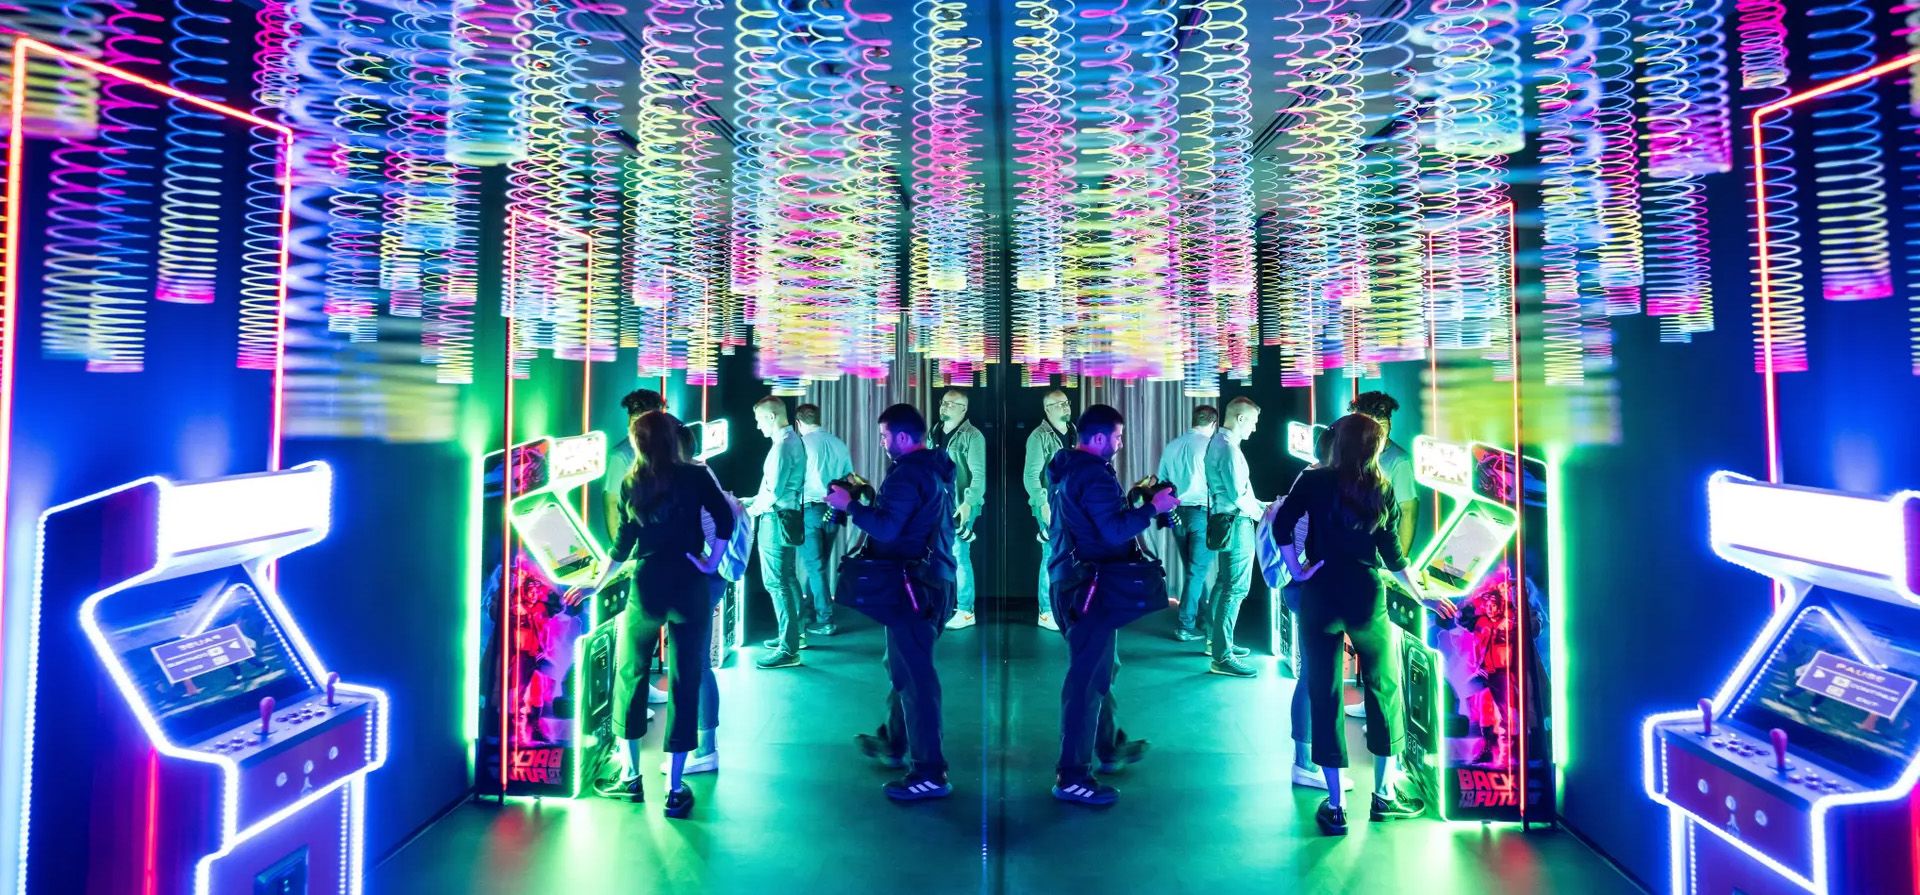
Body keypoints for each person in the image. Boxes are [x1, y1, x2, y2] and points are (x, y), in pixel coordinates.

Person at [1269, 413, 1458, 836]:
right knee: (1383, 688)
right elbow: (1393, 554)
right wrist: (1421, 592)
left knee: (1325, 690)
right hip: (1365, 594)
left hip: (1320, 589)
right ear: (1374, 448)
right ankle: (1384, 796)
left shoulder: (1314, 481)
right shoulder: (1381, 487)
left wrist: (1296, 569)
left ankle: (1335, 806)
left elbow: (1283, 524)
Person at [574, 411, 733, 819]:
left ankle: (630, 776)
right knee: (685, 679)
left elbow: (622, 546)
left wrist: (594, 583)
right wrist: (709, 561)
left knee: (631, 676)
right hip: (689, 583)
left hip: (647, 585)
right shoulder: (695, 476)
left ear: (640, 443)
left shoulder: (633, 482)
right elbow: (726, 517)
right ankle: (676, 788)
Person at [1046, 404, 1180, 805]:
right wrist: (1152, 509)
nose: (1120, 445)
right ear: (1101, 438)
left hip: (1071, 583)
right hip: (1088, 589)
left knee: (1103, 668)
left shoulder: (1067, 468)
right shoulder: (1094, 476)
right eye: (1118, 438)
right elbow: (1112, 532)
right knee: (1086, 682)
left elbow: (1098, 522)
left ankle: (1107, 746)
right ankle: (1071, 776)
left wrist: (1136, 501)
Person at [825, 404, 959, 800]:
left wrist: (848, 506)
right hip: (932, 582)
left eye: (884, 437)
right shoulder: (935, 467)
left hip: (913, 589)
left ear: (902, 437)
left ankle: (930, 772)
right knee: (900, 665)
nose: (883, 444)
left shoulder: (907, 475)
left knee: (916, 679)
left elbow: (886, 526)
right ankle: (894, 740)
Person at [601, 388, 671, 710]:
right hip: (636, 557)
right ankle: (631, 699)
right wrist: (624, 555)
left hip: (657, 555)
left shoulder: (662, 452)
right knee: (629, 633)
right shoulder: (621, 456)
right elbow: (612, 506)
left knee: (645, 630)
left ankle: (641, 692)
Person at [1285, 426, 1346, 791]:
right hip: (1310, 588)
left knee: (1314, 674)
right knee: (1313, 676)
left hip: (1302, 586)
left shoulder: (1307, 476)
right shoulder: (1319, 484)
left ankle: (1306, 760)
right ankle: (1305, 762)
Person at [1203, 397, 1265, 677]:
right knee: (1236, 588)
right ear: (1240, 419)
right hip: (1236, 522)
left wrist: (1260, 505)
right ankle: (1222, 655)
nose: (1254, 429)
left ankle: (1215, 642)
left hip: (1223, 519)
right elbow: (1239, 495)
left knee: (1224, 583)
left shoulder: (1218, 443)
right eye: (1252, 422)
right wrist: (1262, 514)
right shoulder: (1228, 449)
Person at [747, 396, 808, 668]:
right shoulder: (792, 442)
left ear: (771, 417)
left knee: (776, 583)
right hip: (788, 515)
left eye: (760, 420)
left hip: (775, 518)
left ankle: (788, 648)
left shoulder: (782, 447)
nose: (758, 427)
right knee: (787, 578)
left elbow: (773, 491)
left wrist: (749, 510)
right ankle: (794, 636)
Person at [1155, 404, 1219, 642]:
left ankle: (1201, 619)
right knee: (1197, 571)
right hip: (1201, 513)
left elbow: (1161, 481)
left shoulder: (1172, 446)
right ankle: (1186, 624)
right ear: (1214, 424)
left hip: (1176, 513)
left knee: (1194, 571)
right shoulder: (1210, 446)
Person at [795, 403, 853, 637]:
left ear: (798, 423)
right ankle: (812, 611)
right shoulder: (838, 443)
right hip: (835, 509)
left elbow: (795, 478)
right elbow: (850, 476)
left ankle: (825, 618)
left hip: (810, 508)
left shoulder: (802, 444)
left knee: (814, 565)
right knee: (818, 565)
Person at [934, 389, 988, 630]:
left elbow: (979, 476)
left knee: (959, 553)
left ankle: (965, 610)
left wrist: (968, 504)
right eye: (943, 403)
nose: (944, 407)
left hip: (960, 505)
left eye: (951, 404)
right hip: (937, 504)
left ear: (963, 409)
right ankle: (945, 605)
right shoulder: (934, 432)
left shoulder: (973, 436)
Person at [1023, 388, 1076, 631]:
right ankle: (1046, 612)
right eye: (1058, 404)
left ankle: (1065, 607)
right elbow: (1031, 476)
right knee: (1051, 557)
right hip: (1051, 507)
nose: (1065, 407)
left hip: (1075, 505)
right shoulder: (1039, 436)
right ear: (1047, 409)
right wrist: (1043, 505)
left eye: (1066, 402)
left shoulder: (1075, 432)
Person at [1350, 391, 1416, 556]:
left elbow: (1408, 512)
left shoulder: (1399, 462)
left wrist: (1398, 565)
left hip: (1376, 552)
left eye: (1381, 419)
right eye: (1370, 420)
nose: (1376, 427)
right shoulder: (1348, 450)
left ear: (1390, 422)